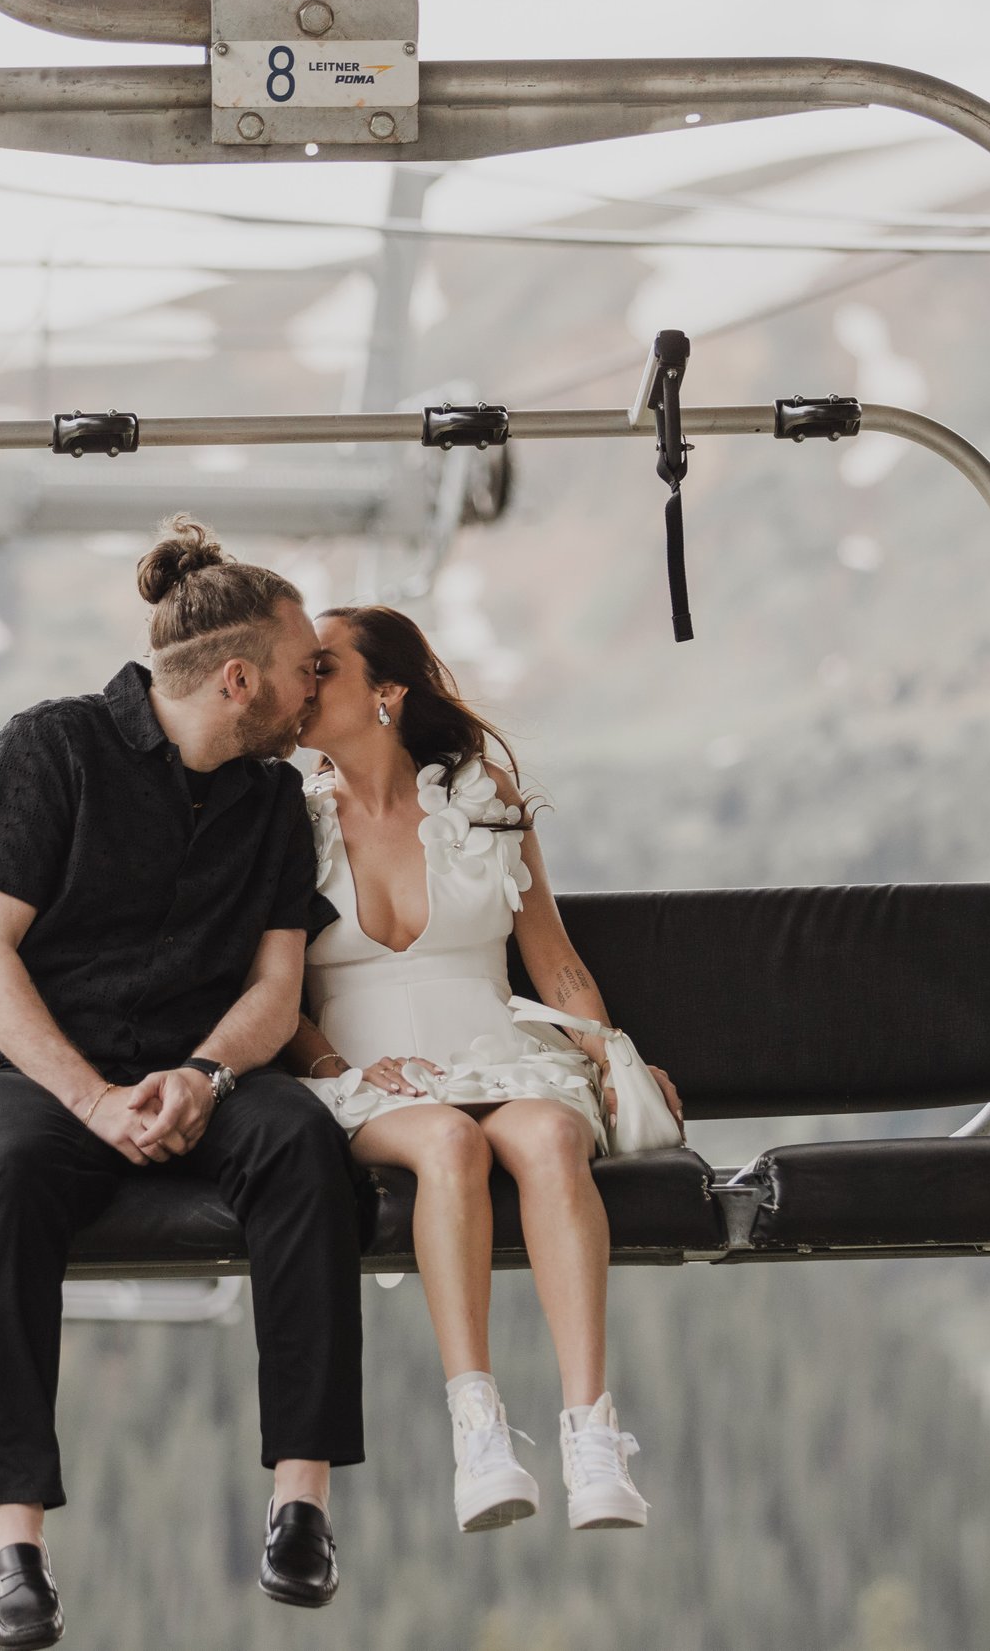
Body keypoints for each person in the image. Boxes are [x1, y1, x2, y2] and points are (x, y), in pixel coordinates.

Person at [0, 514, 367, 1650]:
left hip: (188, 1071)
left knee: (303, 1144)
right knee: (12, 1173)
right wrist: (90, 1097)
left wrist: (207, 1075)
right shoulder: (51, 749)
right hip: (19, 1075)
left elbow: (275, 987)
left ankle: (300, 1502)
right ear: (237, 678)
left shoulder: (270, 803)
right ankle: (12, 1539)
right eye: (306, 665)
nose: (317, 684)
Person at [281, 605, 682, 1535]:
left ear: (387, 694)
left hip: (503, 1049)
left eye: (321, 668)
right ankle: (479, 1431)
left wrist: (612, 1055)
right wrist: (341, 1066)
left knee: (546, 1135)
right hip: (370, 1074)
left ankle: (591, 1433)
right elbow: (276, 994)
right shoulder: (287, 819)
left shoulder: (480, 794)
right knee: (452, 1146)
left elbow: (555, 960)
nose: (299, 685)